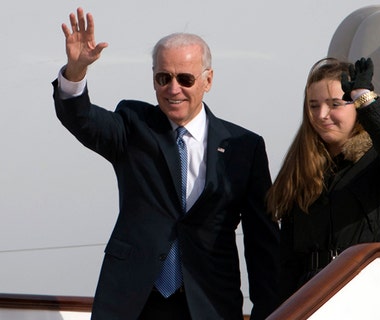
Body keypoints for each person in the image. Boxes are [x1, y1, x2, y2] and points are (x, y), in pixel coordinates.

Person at [52, 8, 279, 320]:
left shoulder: (244, 147)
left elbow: (261, 242)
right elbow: (82, 119)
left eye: (185, 79)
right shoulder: (133, 125)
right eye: (163, 78)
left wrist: (271, 312)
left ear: (208, 80)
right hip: (133, 303)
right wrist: (75, 72)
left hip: (209, 304)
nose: (173, 89)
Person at [266, 57, 380, 302]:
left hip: (371, 291)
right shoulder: (302, 168)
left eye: (335, 104)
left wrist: (365, 98)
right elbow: (288, 262)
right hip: (312, 295)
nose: (322, 115)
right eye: (314, 105)